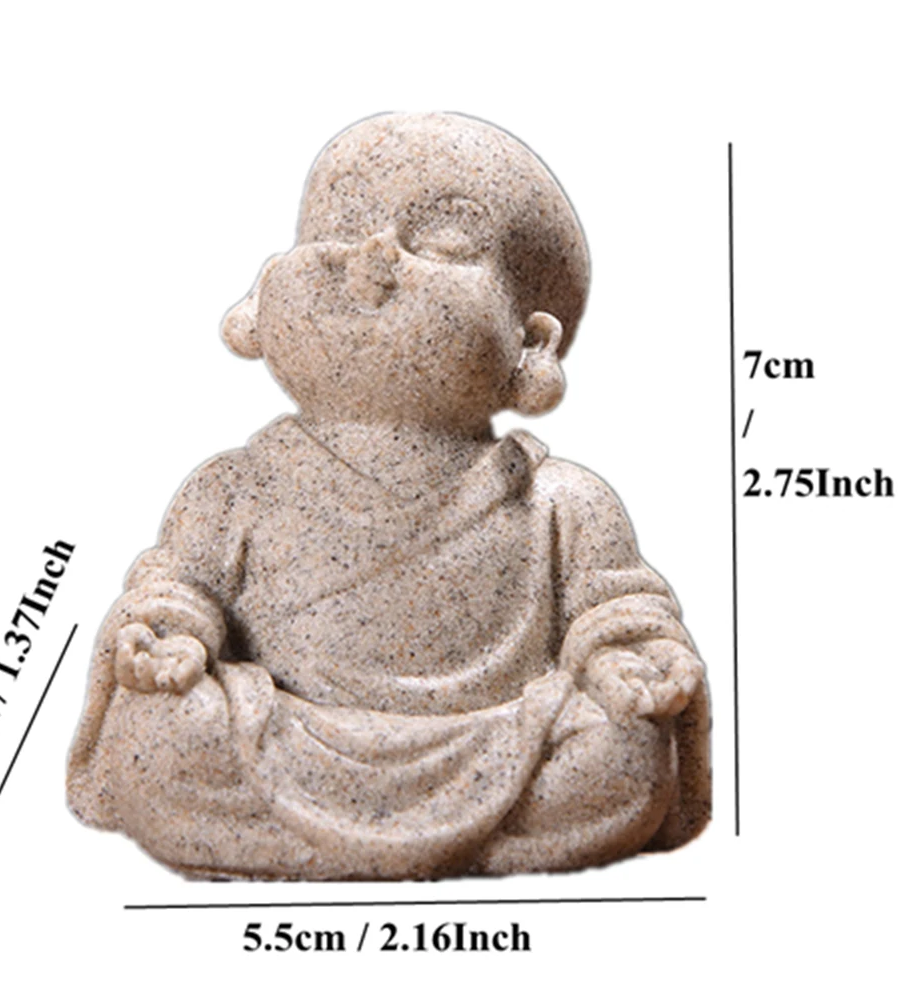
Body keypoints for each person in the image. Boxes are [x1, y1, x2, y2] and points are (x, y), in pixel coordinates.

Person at [67, 113, 710, 879]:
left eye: (443, 243)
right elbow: (177, 589)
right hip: (280, 736)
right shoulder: (231, 489)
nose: (371, 256)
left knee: (624, 751)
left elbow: (618, 610)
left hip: (499, 742)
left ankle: (329, 842)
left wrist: (626, 662)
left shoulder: (561, 501)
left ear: (531, 340)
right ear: (259, 302)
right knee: (163, 734)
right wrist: (171, 637)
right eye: (336, 230)